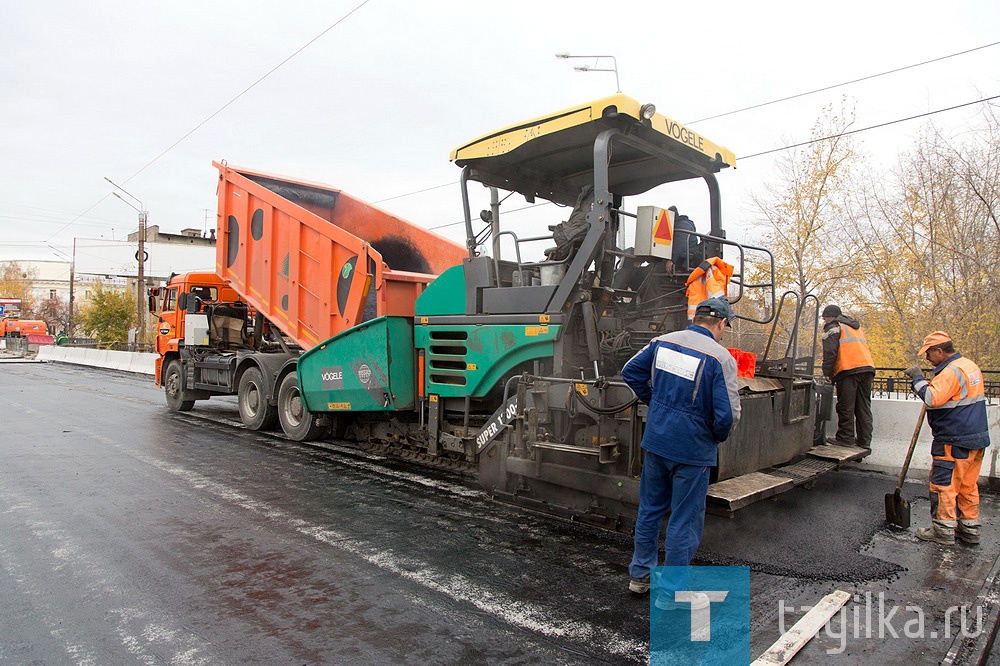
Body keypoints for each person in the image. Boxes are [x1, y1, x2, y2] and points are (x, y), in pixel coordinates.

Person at [622, 297, 741, 603]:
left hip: (657, 441)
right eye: (726, 326)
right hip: (692, 450)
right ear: (720, 323)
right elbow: (727, 415)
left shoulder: (662, 342)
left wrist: (656, 403)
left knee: (649, 510)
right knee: (683, 519)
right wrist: (712, 436)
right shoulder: (720, 357)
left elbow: (630, 372)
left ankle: (639, 577)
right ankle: (670, 591)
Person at [904, 331, 991, 545]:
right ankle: (969, 530)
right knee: (967, 486)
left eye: (929, 353)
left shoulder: (950, 373)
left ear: (940, 351)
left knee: (944, 485)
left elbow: (932, 398)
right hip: (976, 438)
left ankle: (943, 530)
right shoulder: (969, 366)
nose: (927, 358)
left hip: (954, 440)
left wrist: (917, 379)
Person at [821, 304, 876, 448]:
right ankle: (864, 441)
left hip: (848, 369)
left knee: (846, 405)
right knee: (863, 406)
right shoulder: (854, 326)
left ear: (830, 316)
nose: (824, 321)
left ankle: (845, 438)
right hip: (867, 368)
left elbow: (830, 351)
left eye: (825, 318)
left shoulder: (833, 326)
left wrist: (828, 372)